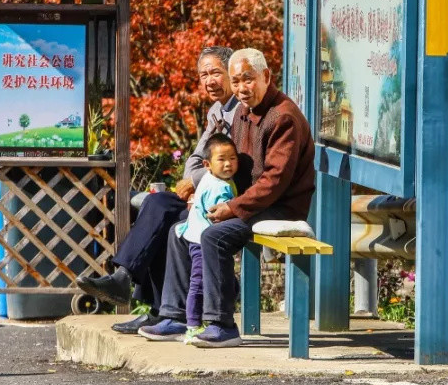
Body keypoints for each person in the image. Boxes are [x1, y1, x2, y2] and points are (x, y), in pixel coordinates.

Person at [147, 47, 316, 347]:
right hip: (245, 201)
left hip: (278, 208)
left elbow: (274, 182)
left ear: (266, 76)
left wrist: (232, 207)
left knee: (214, 236)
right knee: (180, 230)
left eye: (247, 80)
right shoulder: (241, 110)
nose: (240, 88)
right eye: (235, 81)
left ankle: (222, 324)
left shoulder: (283, 118)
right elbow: (232, 165)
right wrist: (204, 198)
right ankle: (174, 316)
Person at [76, 46, 239, 334]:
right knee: (157, 205)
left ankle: (152, 305)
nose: (209, 81)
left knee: (167, 220)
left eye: (216, 73)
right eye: (203, 75)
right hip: (202, 193)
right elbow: (195, 158)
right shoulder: (216, 110)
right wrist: (193, 180)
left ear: (231, 74)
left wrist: (196, 181)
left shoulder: (240, 111)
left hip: (222, 199)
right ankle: (129, 282)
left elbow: (228, 163)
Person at [139, 133, 239, 342]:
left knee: (198, 281)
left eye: (233, 159)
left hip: (193, 234)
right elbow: (216, 216)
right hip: (202, 241)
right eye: (221, 160)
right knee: (198, 283)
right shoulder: (220, 186)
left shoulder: (209, 180)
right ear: (207, 164)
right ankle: (191, 324)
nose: (228, 164)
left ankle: (186, 321)